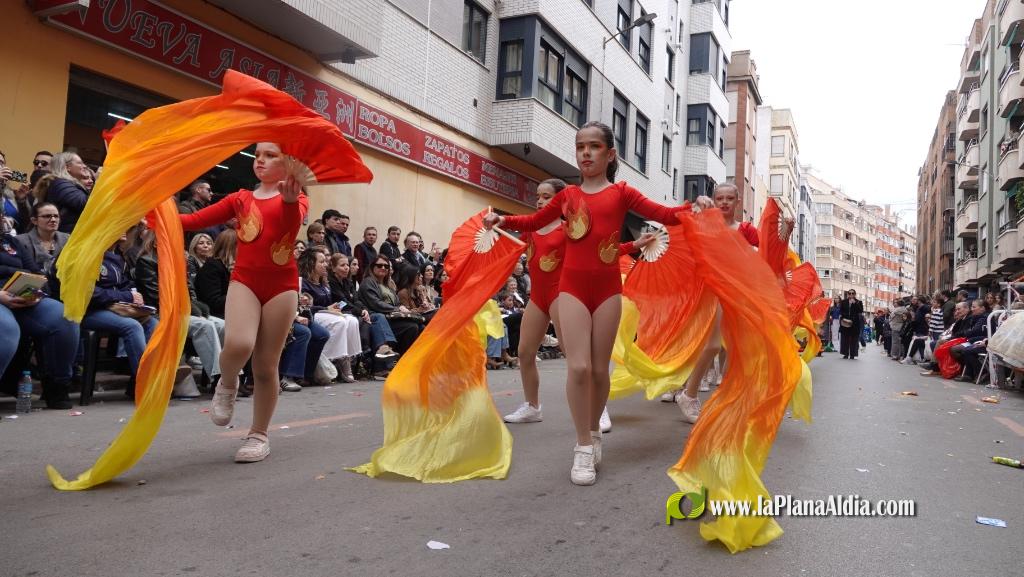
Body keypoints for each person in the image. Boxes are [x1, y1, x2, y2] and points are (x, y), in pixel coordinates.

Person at [485, 121, 693, 486]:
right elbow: (534, 220)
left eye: (594, 146)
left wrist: (696, 208)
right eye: (581, 146)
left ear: (610, 154)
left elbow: (664, 214)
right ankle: (583, 445)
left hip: (608, 291)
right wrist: (502, 218)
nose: (586, 152)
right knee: (578, 368)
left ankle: (595, 433)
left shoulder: (623, 193)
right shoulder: (566, 198)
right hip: (572, 289)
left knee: (599, 371)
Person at [179, 142, 308, 463]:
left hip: (282, 287)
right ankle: (228, 380)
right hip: (245, 281)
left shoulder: (300, 198)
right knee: (237, 344)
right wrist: (154, 211)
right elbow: (194, 220)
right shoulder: (241, 198)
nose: (260, 161)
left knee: (266, 365)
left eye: (271, 155)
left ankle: (259, 434)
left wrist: (291, 203)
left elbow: (290, 230)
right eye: (258, 155)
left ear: (288, 162)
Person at [0, 217, 79, 409]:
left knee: (64, 316)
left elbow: (36, 272)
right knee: (7, 329)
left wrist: (35, 291)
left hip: (22, 296)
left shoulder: (12, 242)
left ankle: (57, 387)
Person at [78, 234, 158, 394]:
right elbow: (88, 293)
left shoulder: (116, 257)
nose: (125, 231)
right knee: (132, 326)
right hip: (90, 310)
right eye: (120, 226)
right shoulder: (87, 254)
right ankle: (147, 386)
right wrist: (127, 296)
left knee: (153, 324)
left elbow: (125, 283)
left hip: (115, 307)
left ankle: (137, 383)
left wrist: (135, 294)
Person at [298, 248, 362, 383]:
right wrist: (328, 308)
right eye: (322, 262)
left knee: (352, 320)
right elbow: (306, 307)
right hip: (314, 314)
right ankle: (334, 359)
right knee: (340, 322)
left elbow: (345, 301)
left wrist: (359, 309)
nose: (325, 264)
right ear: (311, 264)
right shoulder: (305, 283)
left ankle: (347, 360)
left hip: (327, 313)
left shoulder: (329, 283)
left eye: (325, 262)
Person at [328, 254, 399, 360]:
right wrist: (361, 311)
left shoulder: (348, 282)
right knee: (377, 317)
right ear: (333, 268)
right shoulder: (331, 282)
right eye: (342, 265)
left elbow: (356, 300)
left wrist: (363, 309)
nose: (346, 267)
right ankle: (372, 352)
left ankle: (384, 350)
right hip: (339, 313)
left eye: (347, 264)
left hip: (355, 311)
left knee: (411, 326)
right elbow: (342, 302)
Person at [359, 255, 422, 353]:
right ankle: (400, 358)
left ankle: (411, 356)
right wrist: (397, 309)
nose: (383, 268)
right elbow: (375, 304)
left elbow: (397, 302)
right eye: (379, 265)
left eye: (386, 266)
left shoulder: (387, 285)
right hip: (379, 318)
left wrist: (400, 306)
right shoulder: (368, 282)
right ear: (372, 267)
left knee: (419, 326)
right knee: (411, 327)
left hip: (391, 317)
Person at [15, 202, 69, 275]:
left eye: (56, 216)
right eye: (47, 216)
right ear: (34, 220)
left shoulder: (68, 239)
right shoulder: (19, 241)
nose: (53, 219)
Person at [44, 152, 92, 234]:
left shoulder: (64, 184)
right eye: (80, 163)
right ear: (67, 167)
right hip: (65, 238)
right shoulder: (61, 184)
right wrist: (99, 182)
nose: (84, 166)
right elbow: (87, 204)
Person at [194, 229, 236, 320]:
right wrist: (236, 284)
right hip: (214, 315)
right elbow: (215, 303)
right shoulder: (212, 267)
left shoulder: (227, 267)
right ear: (232, 247)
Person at [838, 289, 864, 359]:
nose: (851, 295)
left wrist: (855, 303)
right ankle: (845, 353)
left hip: (855, 323)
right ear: (848, 294)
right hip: (845, 322)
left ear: (855, 294)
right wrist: (844, 317)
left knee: (854, 339)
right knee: (844, 338)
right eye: (849, 293)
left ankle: (852, 354)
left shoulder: (859, 302)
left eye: (853, 293)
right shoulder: (844, 302)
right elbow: (841, 311)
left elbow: (860, 310)